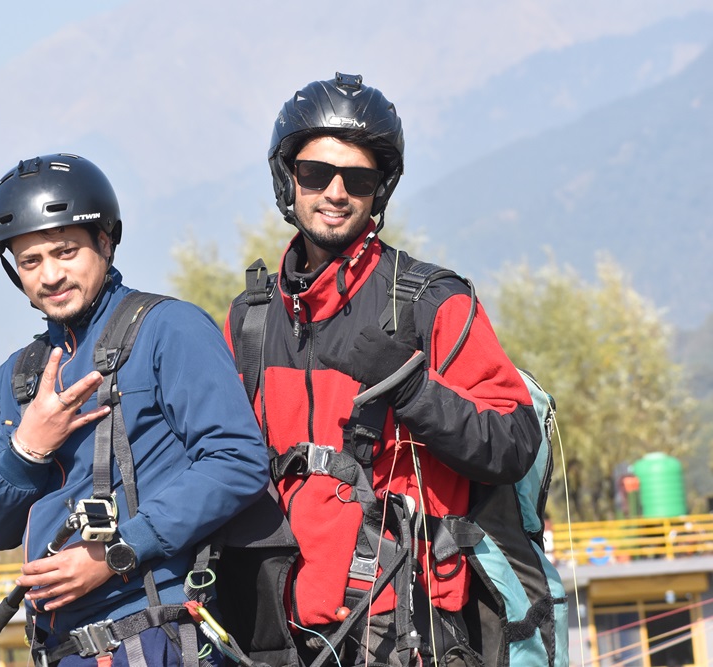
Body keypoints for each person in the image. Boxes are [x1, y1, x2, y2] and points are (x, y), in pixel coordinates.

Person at [224, 73, 543, 666]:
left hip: (404, 629)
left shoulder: (431, 302)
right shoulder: (250, 321)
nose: (336, 192)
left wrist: (414, 388)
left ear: (380, 191)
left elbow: (514, 442)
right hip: (275, 630)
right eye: (316, 174)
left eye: (359, 179)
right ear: (286, 179)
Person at [0, 153, 269, 666]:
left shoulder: (168, 330)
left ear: (105, 242)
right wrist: (28, 447)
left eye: (65, 252)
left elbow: (238, 461)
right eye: (30, 261)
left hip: (158, 639)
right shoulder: (16, 377)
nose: (51, 275)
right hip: (63, 652)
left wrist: (116, 551)